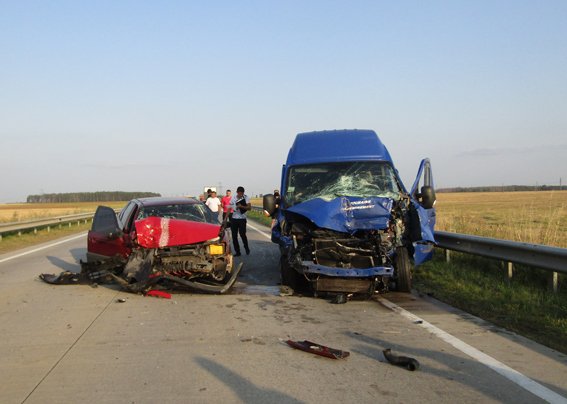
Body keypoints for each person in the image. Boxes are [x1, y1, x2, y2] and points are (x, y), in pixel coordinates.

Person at [229, 186, 251, 256]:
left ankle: (246, 247)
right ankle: (237, 252)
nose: (240, 195)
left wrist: (241, 206)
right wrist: (225, 218)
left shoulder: (246, 197)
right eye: (239, 193)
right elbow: (229, 208)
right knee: (234, 236)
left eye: (242, 193)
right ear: (237, 192)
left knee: (242, 234)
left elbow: (249, 208)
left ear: (243, 193)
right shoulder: (233, 198)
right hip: (234, 219)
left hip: (242, 219)